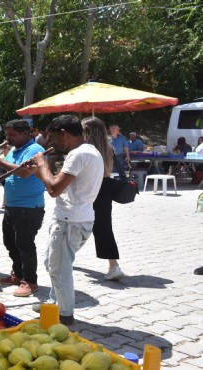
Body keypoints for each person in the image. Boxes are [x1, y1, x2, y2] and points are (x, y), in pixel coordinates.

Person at [28, 114, 104, 325]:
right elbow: (59, 184)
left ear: (65, 134)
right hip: (76, 218)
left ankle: (64, 315)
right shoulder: (90, 152)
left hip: (70, 221)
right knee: (52, 262)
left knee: (59, 268)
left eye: (54, 138)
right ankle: (55, 303)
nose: (52, 144)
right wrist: (38, 172)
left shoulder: (78, 155)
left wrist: (42, 163)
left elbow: (53, 189)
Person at [0, 119, 46, 297]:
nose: (8, 138)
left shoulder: (35, 150)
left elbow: (25, 172)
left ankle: (30, 281)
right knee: (10, 243)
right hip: (12, 206)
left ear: (25, 134)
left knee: (25, 245)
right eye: (7, 134)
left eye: (12, 134)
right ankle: (18, 275)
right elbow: (0, 175)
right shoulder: (12, 151)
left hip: (29, 207)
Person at [82, 116, 126, 281]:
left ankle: (64, 256)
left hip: (91, 188)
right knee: (103, 227)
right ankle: (113, 265)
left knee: (77, 223)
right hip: (105, 187)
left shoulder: (86, 150)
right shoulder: (109, 147)